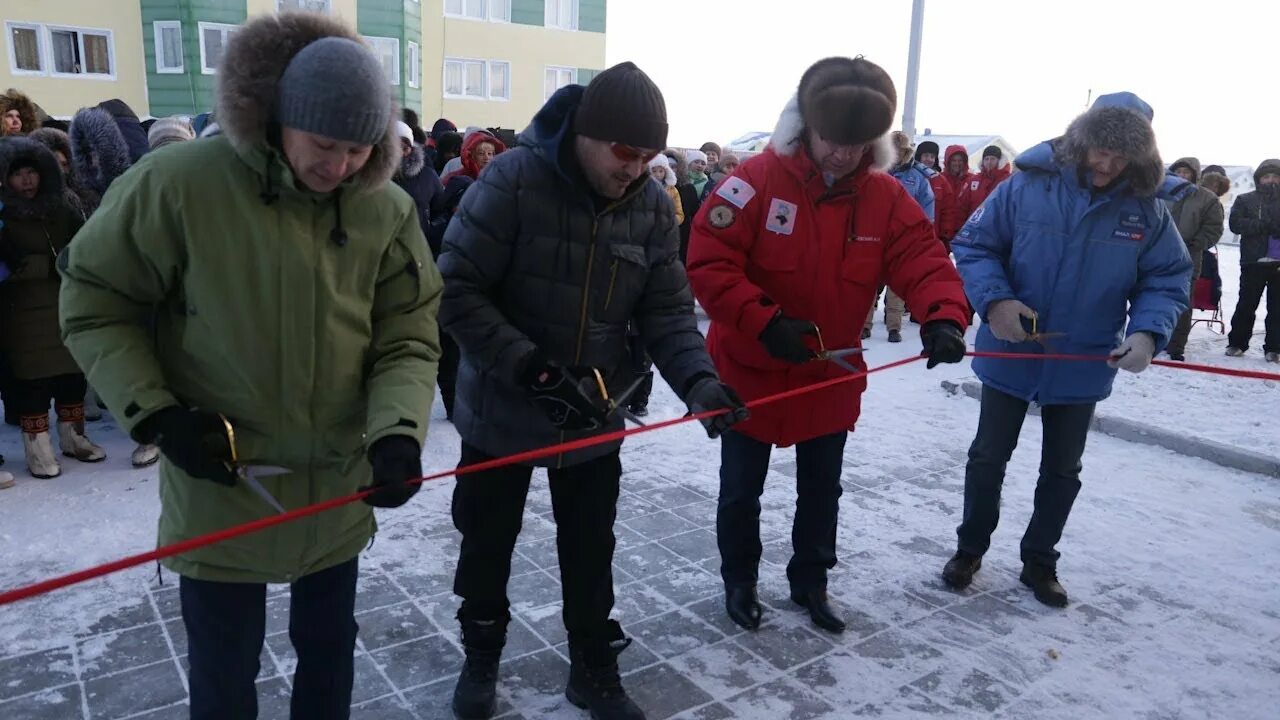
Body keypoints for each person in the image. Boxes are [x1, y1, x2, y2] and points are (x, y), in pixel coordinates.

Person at [58, 13, 442, 719]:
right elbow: (93, 298)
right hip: (221, 481)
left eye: (360, 150)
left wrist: (397, 433)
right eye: (324, 144)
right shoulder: (180, 184)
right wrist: (158, 415)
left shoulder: (383, 209)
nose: (340, 167)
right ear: (277, 117)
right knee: (225, 674)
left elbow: (407, 334)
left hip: (333, 485)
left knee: (328, 658)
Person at [438, 61, 747, 720]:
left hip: (592, 412)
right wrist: (531, 369)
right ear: (584, 132)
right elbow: (455, 288)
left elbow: (667, 314)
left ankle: (592, 665)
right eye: (624, 152)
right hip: (501, 405)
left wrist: (699, 383)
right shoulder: (512, 180)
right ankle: (481, 649)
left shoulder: (652, 209)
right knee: (486, 540)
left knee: (589, 545)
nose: (636, 167)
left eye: (649, 156)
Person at [686, 56, 970, 636]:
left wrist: (943, 316)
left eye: (858, 142)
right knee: (741, 490)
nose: (844, 153)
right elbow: (710, 261)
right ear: (806, 125)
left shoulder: (886, 197)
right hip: (752, 366)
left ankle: (810, 582)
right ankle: (739, 581)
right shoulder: (755, 181)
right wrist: (764, 323)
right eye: (833, 140)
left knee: (822, 490)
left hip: (829, 373)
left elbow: (922, 257)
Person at [944, 92, 1192, 608]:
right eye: (1099, 150)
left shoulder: (1147, 210)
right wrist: (996, 302)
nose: (1106, 165)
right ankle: (969, 549)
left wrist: (1148, 333)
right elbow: (973, 245)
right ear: (1081, 140)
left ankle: (1040, 561)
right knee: (987, 457)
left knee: (1062, 469)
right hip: (1011, 347)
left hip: (1082, 359)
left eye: (1121, 157)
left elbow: (1167, 278)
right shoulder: (1026, 185)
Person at [1, 137, 106, 477]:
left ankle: (74, 437)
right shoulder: (3, 215)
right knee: (33, 384)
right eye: (19, 174)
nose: (27, 180)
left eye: (33, 172)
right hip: (22, 316)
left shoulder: (62, 207)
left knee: (71, 377)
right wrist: (41, 267)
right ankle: (38, 448)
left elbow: (85, 242)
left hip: (67, 308)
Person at [864, 131, 938, 343]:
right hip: (875, 237)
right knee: (869, 283)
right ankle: (864, 324)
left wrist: (921, 235)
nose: (896, 153)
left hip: (902, 240)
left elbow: (927, 208)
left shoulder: (917, 178)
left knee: (897, 288)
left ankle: (894, 327)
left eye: (900, 150)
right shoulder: (875, 173)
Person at [1163, 157, 1225, 361]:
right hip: (1156, 255)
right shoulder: (1160, 192)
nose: (1182, 175)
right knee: (1147, 297)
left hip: (1188, 256)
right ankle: (1147, 339)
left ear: (1195, 175)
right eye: (1178, 171)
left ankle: (1176, 346)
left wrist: (1195, 243)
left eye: (1186, 172)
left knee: (1182, 302)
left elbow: (1214, 228)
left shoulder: (1207, 198)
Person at [1225, 159, 1280, 362]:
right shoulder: (1245, 199)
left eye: (1275, 176)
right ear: (1259, 179)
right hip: (1253, 260)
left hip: (1278, 262)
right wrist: (1261, 225)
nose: (1271, 180)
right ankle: (1237, 343)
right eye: (1266, 176)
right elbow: (1235, 224)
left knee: (1277, 308)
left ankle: (1275, 348)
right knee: (1246, 304)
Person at [392, 120, 444, 236]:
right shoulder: (372, 177)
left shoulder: (427, 175)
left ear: (411, 148)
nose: (399, 153)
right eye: (394, 147)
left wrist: (431, 233)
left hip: (418, 242)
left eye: (404, 148)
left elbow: (441, 209)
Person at [916, 140, 960, 250]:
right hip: (911, 233)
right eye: (926, 155)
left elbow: (948, 210)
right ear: (919, 157)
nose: (929, 159)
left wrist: (945, 235)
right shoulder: (909, 177)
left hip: (933, 236)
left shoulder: (941, 181)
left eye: (932, 156)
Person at [957, 144, 1011, 221]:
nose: (989, 162)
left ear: (999, 161)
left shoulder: (1008, 180)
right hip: (973, 225)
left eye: (993, 159)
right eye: (986, 159)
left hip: (996, 226)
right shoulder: (974, 180)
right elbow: (962, 206)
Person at [944, 144, 976, 210]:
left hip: (965, 219)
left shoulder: (972, 180)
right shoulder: (941, 179)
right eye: (954, 160)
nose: (957, 163)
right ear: (948, 162)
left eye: (960, 160)